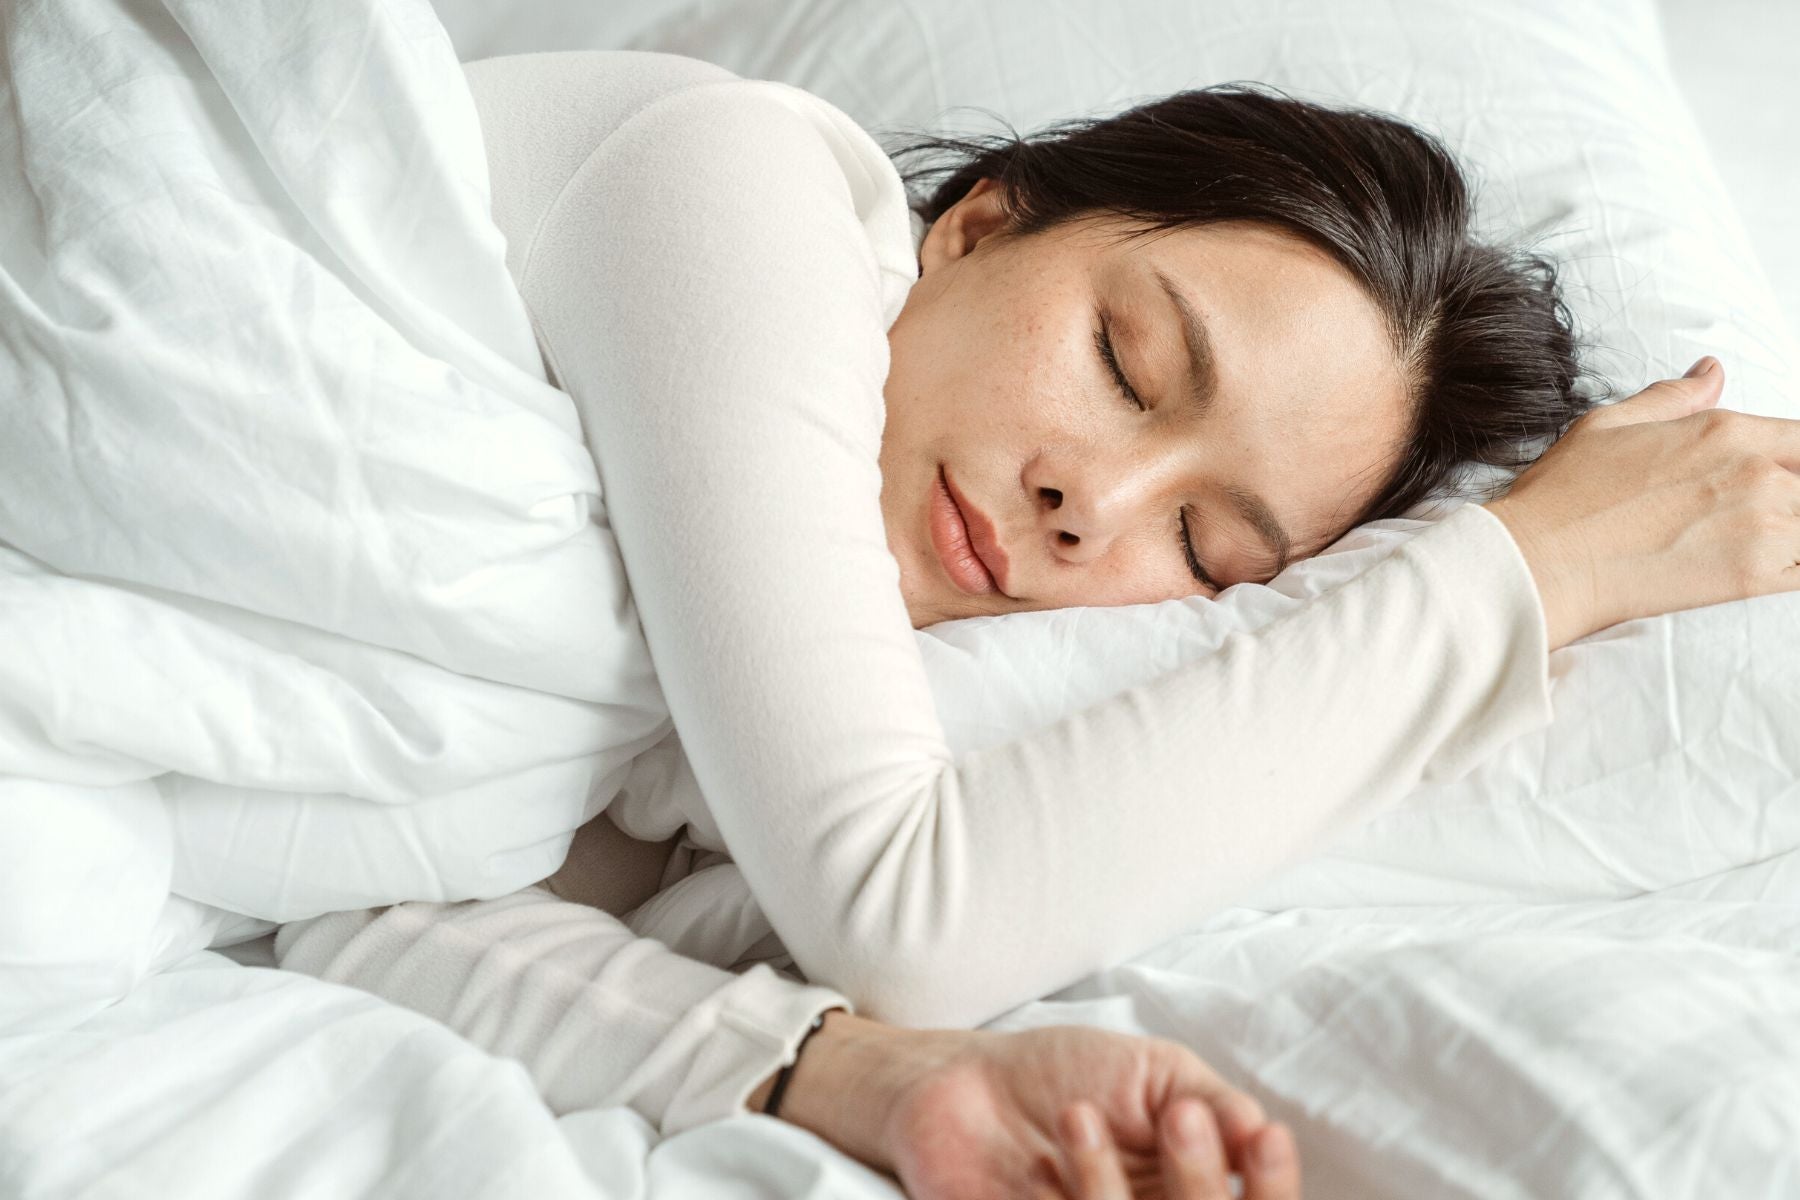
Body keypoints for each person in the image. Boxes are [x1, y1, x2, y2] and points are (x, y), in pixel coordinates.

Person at [274, 49, 1800, 1199]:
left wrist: (872, 1083)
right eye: (1128, 363)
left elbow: (349, 904)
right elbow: (911, 914)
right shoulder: (723, 181)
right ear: (980, 226)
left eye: (1202, 545)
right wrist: (1525, 575)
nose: (1096, 501)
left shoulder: (682, 715)